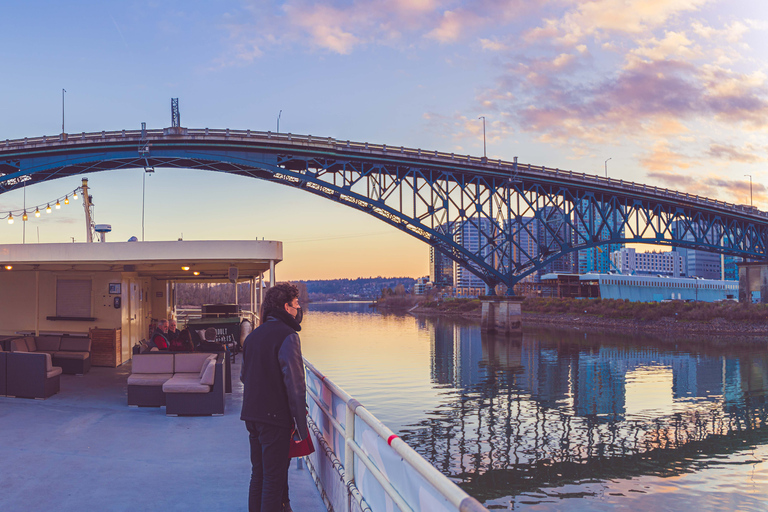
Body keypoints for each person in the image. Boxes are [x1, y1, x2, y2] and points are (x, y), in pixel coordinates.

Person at [241, 283, 307, 512]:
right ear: (286, 307)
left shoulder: (252, 337)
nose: (299, 310)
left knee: (258, 475)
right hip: (275, 419)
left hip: (252, 416)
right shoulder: (287, 336)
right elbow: (296, 386)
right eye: (296, 305)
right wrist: (300, 425)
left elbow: (243, 376)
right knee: (273, 479)